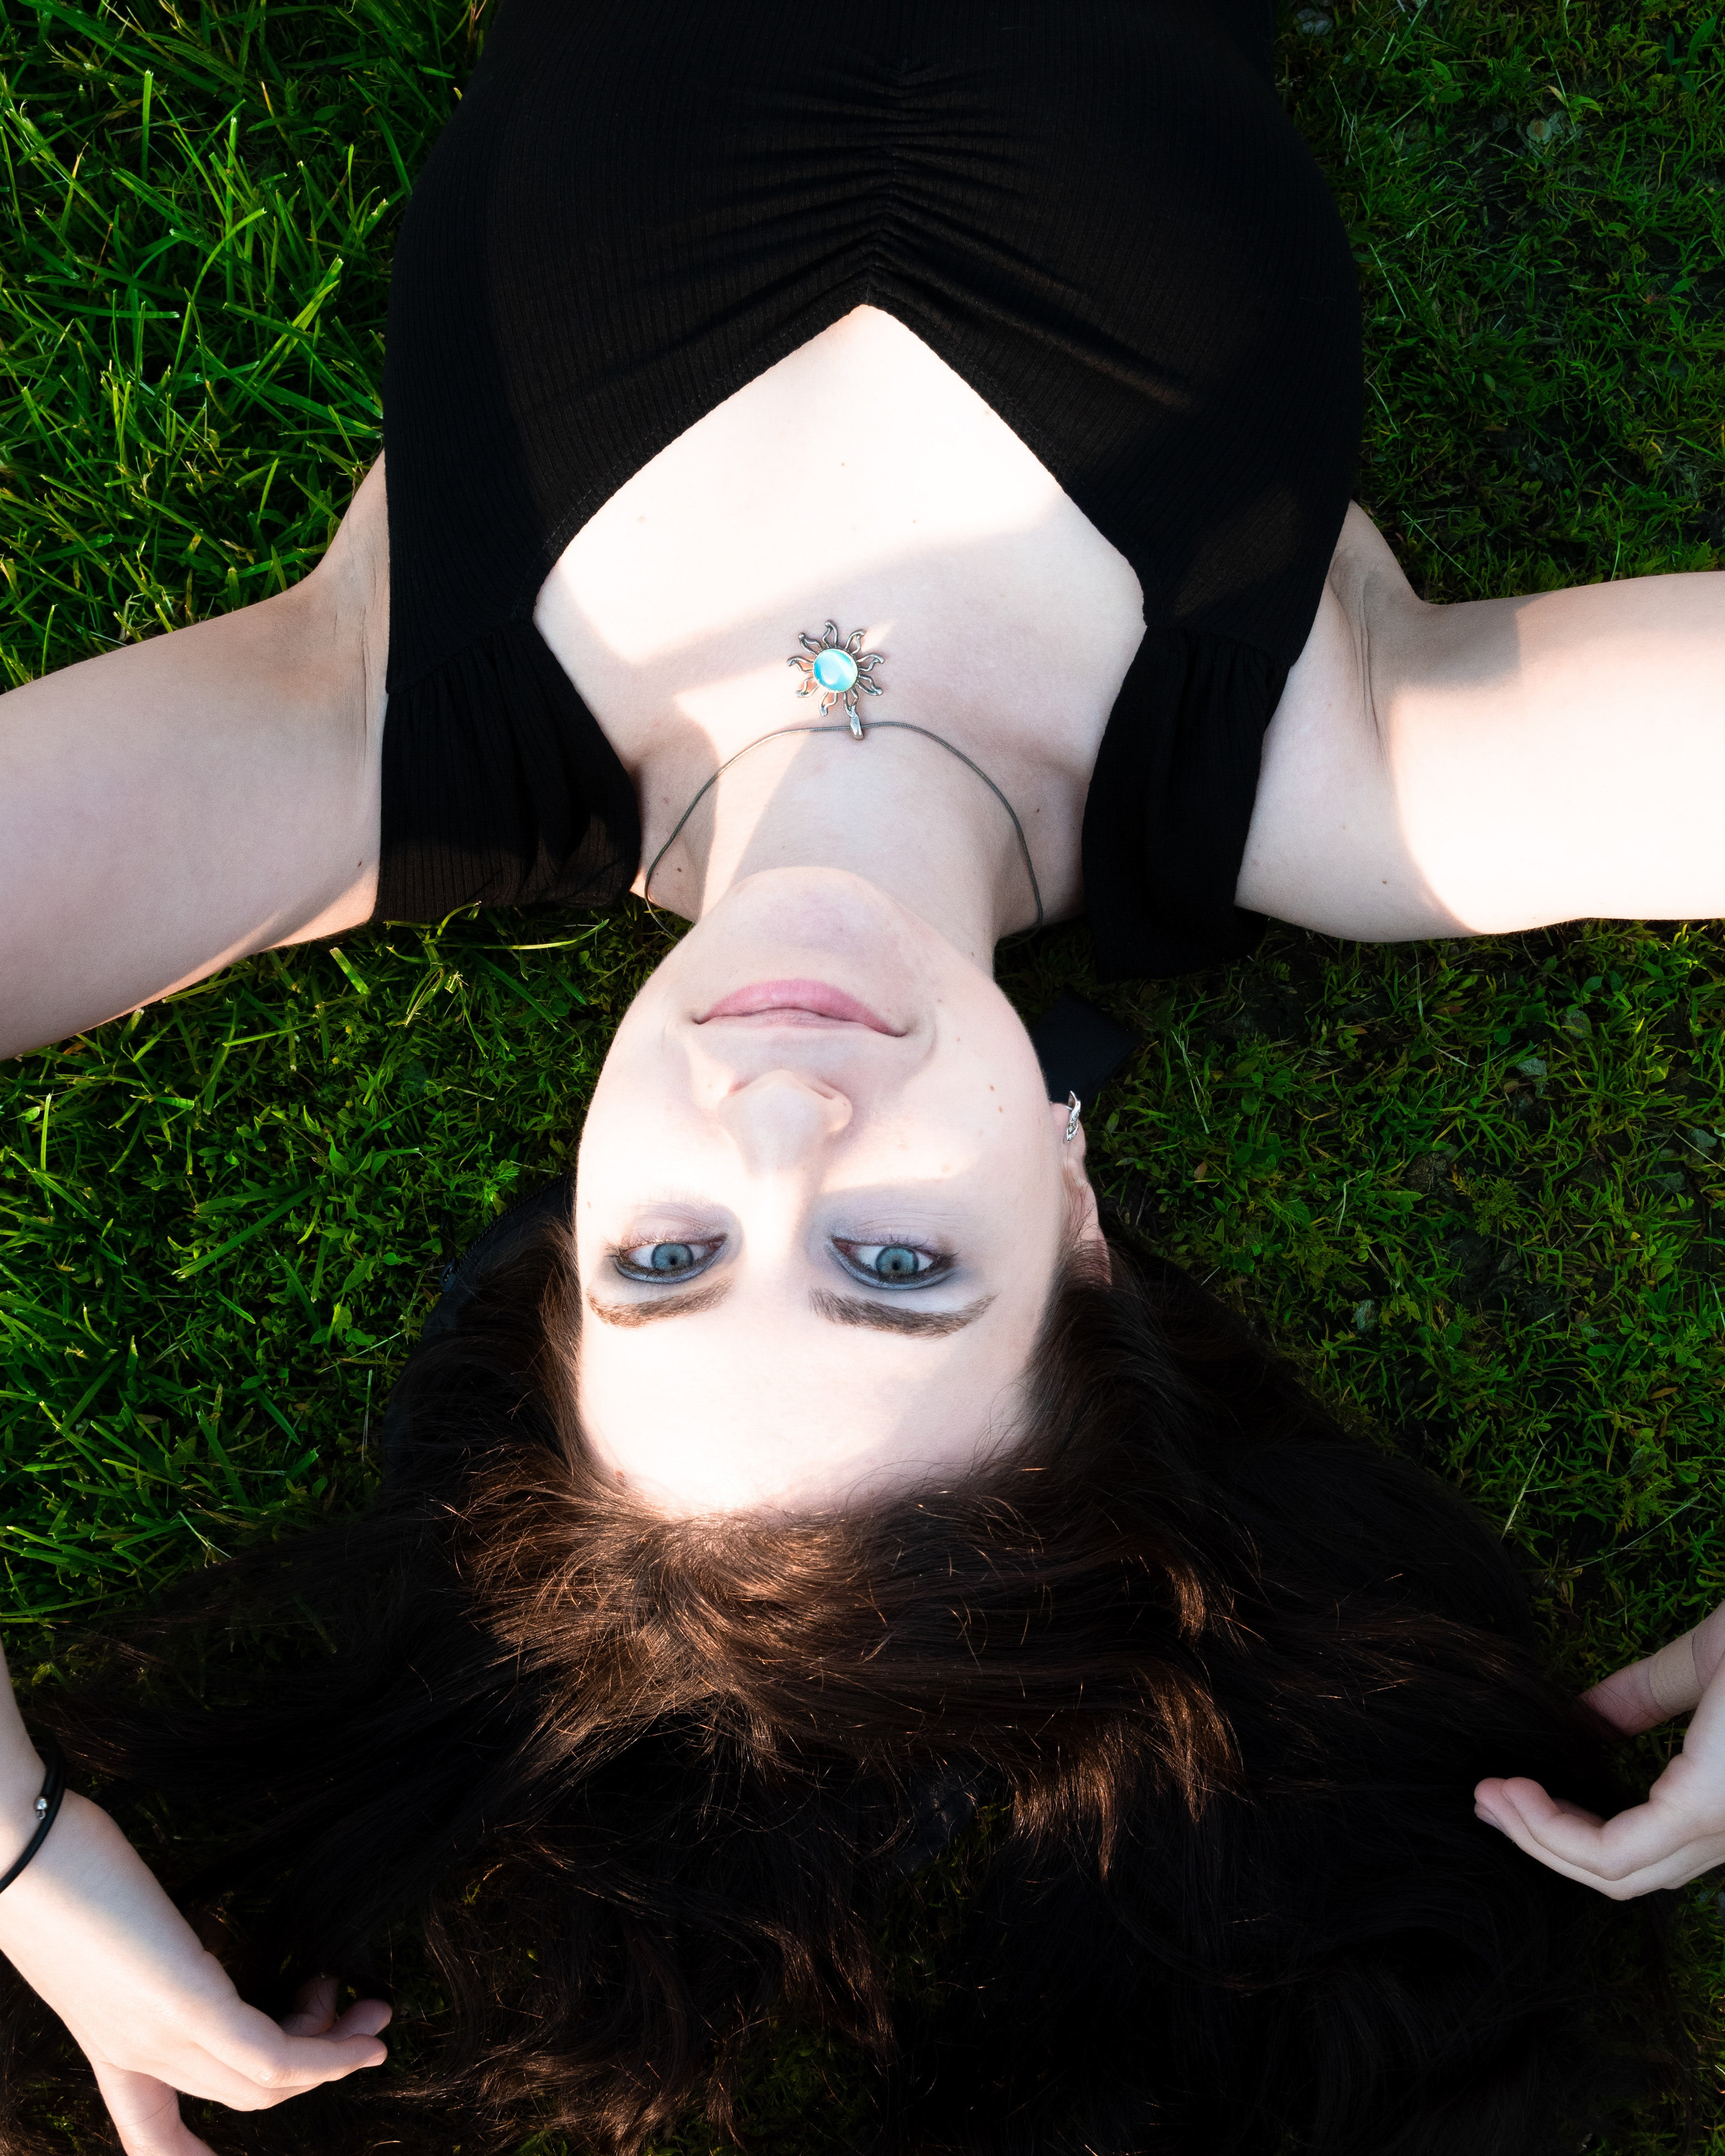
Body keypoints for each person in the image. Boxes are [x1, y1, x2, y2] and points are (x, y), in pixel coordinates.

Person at [3, 1, 1724, 2150]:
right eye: (896, 1267)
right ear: (1079, 1226)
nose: (775, 1128)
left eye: (667, 1258)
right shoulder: (1347, 766)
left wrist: (17, 1858)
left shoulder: (378, 735)